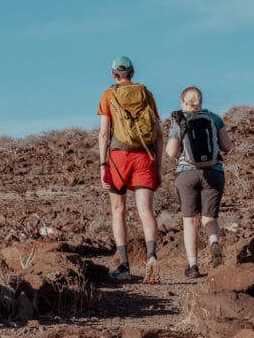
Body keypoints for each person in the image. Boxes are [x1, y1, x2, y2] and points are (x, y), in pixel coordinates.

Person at [97, 56, 164, 283]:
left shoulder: (108, 95)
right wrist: (159, 166)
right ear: (133, 74)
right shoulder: (146, 94)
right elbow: (159, 132)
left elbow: (104, 133)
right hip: (145, 156)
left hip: (118, 157)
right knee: (145, 209)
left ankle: (124, 266)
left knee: (118, 210)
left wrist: (102, 164)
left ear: (113, 74)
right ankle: (152, 257)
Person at [166, 86, 233, 278]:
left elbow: (171, 152)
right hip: (214, 173)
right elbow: (227, 146)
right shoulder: (214, 118)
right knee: (209, 218)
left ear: (183, 102)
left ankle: (193, 266)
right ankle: (214, 242)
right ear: (201, 101)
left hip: (186, 174)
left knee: (190, 221)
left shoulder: (179, 120)